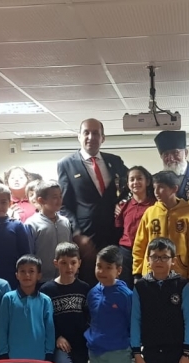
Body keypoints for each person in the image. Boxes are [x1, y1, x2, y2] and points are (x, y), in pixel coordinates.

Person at [58, 119, 129, 281]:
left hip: (115, 233)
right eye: (86, 133)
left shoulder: (115, 161)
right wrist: (77, 234)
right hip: (87, 238)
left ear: (103, 138)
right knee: (89, 281)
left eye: (96, 133)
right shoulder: (66, 164)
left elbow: (131, 187)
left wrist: (122, 204)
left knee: (116, 280)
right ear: (79, 137)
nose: (91, 137)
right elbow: (64, 205)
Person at [40, 243, 91, 363]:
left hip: (80, 344)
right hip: (60, 344)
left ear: (79, 263)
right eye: (64, 263)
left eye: (73, 263)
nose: (69, 267)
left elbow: (88, 317)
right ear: (56, 263)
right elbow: (44, 320)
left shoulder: (84, 288)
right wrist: (57, 337)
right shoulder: (47, 290)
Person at [131, 171, 189, 282]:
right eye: (154, 188)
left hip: (178, 273)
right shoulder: (150, 212)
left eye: (161, 187)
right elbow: (139, 244)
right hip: (151, 272)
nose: (156, 192)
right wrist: (137, 273)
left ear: (174, 189)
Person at [0, 255, 55, 361]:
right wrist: (3, 352)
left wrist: (49, 352)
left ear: (39, 275)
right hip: (13, 357)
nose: (27, 275)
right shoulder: (8, 298)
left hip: (39, 357)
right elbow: (2, 327)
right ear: (17, 275)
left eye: (31, 271)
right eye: (22, 271)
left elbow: (49, 329)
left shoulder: (45, 300)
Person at [115, 166, 154, 286]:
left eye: (139, 178)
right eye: (132, 179)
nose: (135, 182)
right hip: (126, 252)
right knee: (125, 286)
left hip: (147, 252)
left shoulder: (155, 205)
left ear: (147, 182)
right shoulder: (122, 206)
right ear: (128, 184)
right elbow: (118, 228)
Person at [26, 181, 72, 282]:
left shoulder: (65, 222)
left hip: (64, 277)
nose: (59, 200)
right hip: (42, 279)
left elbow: (70, 249)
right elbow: (29, 253)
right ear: (41, 200)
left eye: (60, 196)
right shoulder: (32, 224)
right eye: (54, 197)